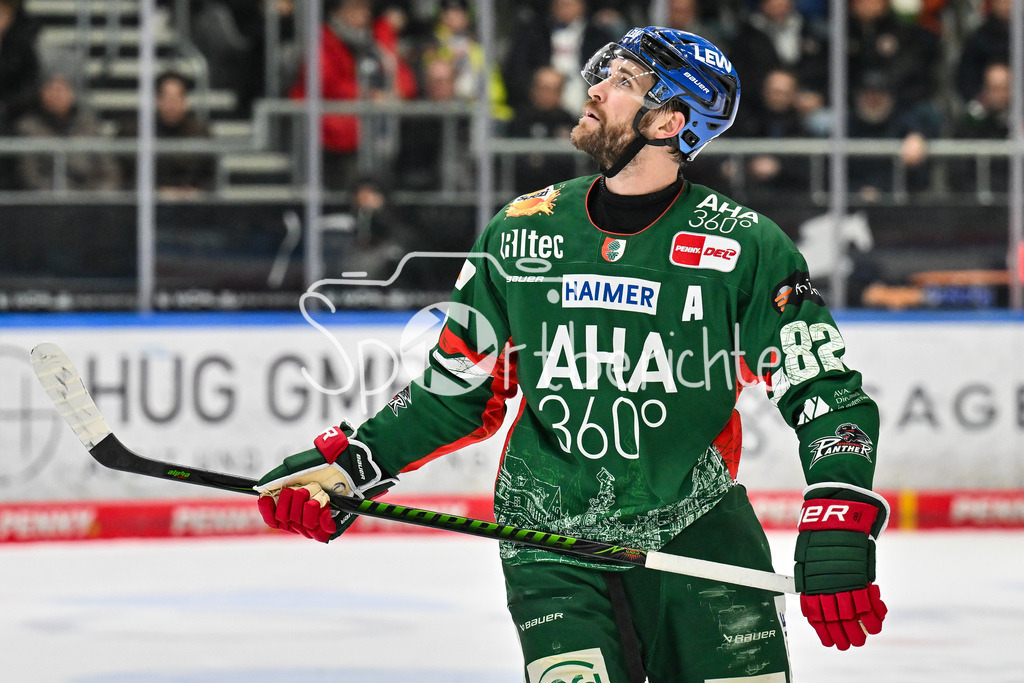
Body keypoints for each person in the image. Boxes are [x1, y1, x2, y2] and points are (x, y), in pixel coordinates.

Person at [256, 26, 889, 681]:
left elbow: (825, 392)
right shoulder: (520, 230)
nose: (594, 88)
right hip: (549, 539)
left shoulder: (744, 246)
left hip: (698, 530)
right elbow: (458, 388)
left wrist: (838, 505)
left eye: (622, 81)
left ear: (670, 119)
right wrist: (356, 459)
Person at [288, 0, 417, 190]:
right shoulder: (323, 39)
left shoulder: (377, 37)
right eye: (357, 7)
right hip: (334, 126)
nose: (364, 13)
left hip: (378, 126)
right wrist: (369, 96)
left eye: (366, 7)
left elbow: (402, 74)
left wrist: (397, 92)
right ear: (338, 11)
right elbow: (325, 82)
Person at [14, 57, 121, 191]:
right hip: (47, 205)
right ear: (41, 93)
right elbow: (30, 175)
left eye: (62, 89)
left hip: (90, 203)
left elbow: (109, 170)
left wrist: (95, 198)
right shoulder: (28, 128)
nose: (57, 95)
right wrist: (61, 198)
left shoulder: (90, 126)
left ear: (72, 93)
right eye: (51, 88)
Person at [119, 71, 216, 197]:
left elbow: (211, 178)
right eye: (167, 98)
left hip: (192, 207)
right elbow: (124, 178)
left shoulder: (200, 133)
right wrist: (157, 192)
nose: (172, 105)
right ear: (157, 100)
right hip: (145, 205)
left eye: (177, 98)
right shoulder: (134, 132)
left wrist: (197, 192)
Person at [506, 65, 582, 195]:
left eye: (553, 89)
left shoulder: (571, 122)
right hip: (522, 194)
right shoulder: (518, 120)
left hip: (562, 194)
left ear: (561, 92)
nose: (546, 94)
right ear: (533, 89)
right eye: (543, 88)